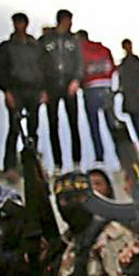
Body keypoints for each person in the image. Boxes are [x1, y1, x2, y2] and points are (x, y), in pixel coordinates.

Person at [0, 12, 45, 181]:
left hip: (34, 90)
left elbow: (44, 67)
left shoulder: (35, 46)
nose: (19, 26)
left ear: (26, 24)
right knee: (14, 128)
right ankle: (10, 167)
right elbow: (0, 69)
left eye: (21, 23)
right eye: (16, 23)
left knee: (33, 128)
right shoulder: (6, 47)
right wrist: (6, 91)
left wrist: (43, 90)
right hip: (15, 90)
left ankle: (33, 165)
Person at [39, 9, 83, 173]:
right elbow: (39, 64)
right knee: (53, 124)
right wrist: (42, 89)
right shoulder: (45, 40)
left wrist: (76, 80)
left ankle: (77, 162)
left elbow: (79, 62)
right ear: (61, 21)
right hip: (51, 85)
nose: (69, 24)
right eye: (67, 20)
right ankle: (58, 164)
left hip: (69, 84)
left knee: (74, 123)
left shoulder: (73, 40)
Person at [78, 30, 117, 165]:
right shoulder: (103, 49)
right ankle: (121, 155)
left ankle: (100, 158)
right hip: (107, 87)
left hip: (91, 87)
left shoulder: (80, 50)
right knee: (112, 124)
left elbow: (79, 70)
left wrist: (81, 83)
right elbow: (113, 68)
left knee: (94, 125)